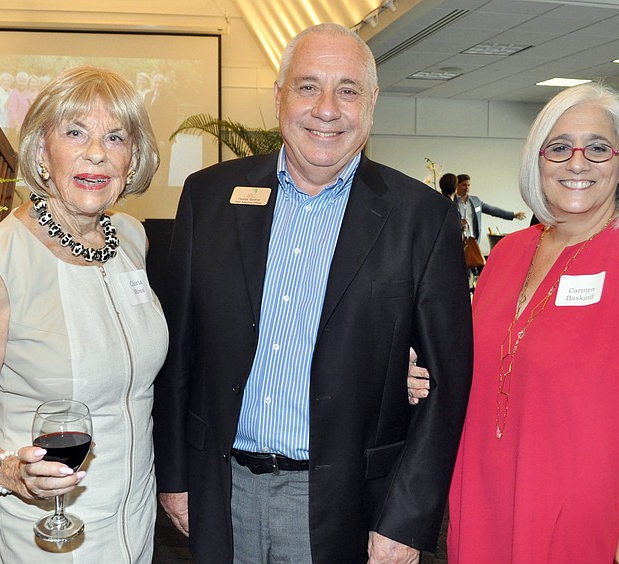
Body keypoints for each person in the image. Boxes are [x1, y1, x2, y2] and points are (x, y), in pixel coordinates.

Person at [153, 22, 473, 564]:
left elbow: (445, 385)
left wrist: (407, 518)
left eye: (348, 90)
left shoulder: (422, 218)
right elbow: (178, 349)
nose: (327, 108)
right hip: (221, 487)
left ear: (371, 104)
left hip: (348, 502)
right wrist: (176, 475)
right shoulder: (208, 198)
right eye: (308, 86)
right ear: (279, 98)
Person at [409, 82, 619, 562]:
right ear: (538, 161)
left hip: (582, 529)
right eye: (559, 147)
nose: (577, 162)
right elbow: (477, 372)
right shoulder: (509, 255)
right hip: (486, 505)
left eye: (597, 148)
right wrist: (422, 377)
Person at [0, 66, 166, 562]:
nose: (96, 151)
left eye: (115, 136)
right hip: (50, 530)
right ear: (41, 152)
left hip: (137, 517)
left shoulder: (132, 240)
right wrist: (9, 470)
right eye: (75, 132)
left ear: (134, 157)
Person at [453, 173, 526, 243]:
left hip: (473, 241)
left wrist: (513, 215)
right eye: (464, 185)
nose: (467, 188)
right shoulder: (452, 201)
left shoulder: (476, 201)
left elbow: (493, 210)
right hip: (456, 240)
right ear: (457, 186)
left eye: (468, 185)